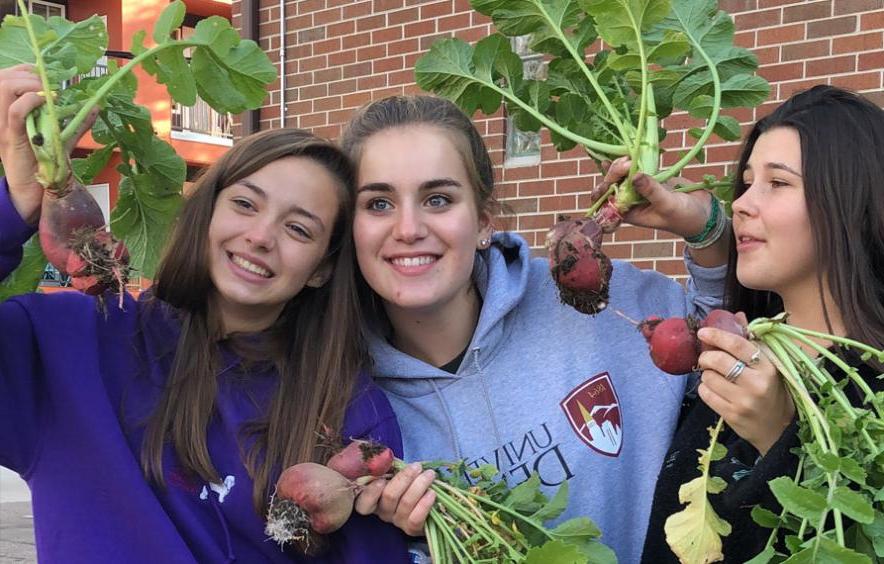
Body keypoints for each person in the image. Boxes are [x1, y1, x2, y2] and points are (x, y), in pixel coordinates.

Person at [0, 66, 407, 563]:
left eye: (299, 229)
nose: (260, 236)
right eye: (244, 204)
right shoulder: (68, 345)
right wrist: (14, 202)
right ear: (207, 211)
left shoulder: (347, 408)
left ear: (322, 268)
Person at [338, 94, 730, 563]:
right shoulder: (350, 406)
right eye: (378, 203)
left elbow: (727, 333)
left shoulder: (589, 301)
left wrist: (706, 231)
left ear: (483, 221)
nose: (407, 228)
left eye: (437, 199)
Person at [641, 85, 884, 562]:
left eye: (778, 183)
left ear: (850, 202)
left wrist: (778, 440)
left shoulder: (868, 385)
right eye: (747, 182)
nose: (742, 203)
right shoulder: (740, 349)